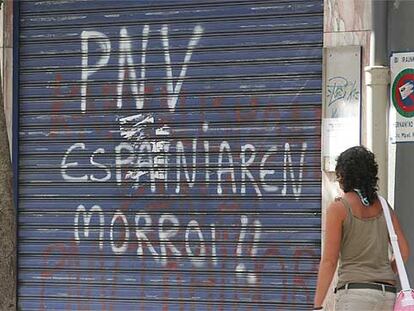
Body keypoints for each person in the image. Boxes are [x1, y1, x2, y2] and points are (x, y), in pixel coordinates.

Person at [313, 146, 410, 311]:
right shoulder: (384, 207)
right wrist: (384, 272)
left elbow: (329, 261)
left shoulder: (339, 209)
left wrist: (317, 304)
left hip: (354, 294)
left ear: (344, 175)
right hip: (387, 295)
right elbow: (404, 252)